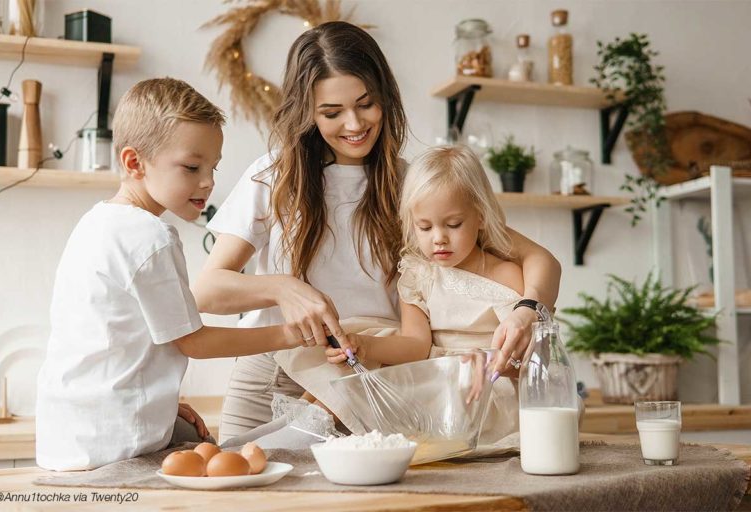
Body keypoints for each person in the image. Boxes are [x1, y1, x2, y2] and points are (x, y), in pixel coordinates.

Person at [194, 21, 561, 442]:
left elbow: (538, 259)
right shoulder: (272, 177)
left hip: (368, 377)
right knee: (239, 494)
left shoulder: (413, 185)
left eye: (365, 104)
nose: (353, 124)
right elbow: (208, 292)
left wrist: (528, 309)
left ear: (385, 97)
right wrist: (283, 288)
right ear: (306, 113)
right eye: (331, 113)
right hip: (271, 372)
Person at [35, 78, 307, 471]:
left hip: (70, 435)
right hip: (117, 444)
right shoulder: (152, 235)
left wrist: (163, 407)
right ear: (134, 163)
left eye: (213, 167)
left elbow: (110, 341)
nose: (209, 181)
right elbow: (192, 342)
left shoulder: (95, 223)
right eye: (192, 166)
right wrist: (287, 335)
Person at [326, 145, 531, 446]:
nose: (439, 238)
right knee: (358, 385)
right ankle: (312, 426)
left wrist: (490, 360)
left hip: (488, 385)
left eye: (453, 225)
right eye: (425, 227)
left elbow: (526, 358)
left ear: (482, 217)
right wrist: (364, 345)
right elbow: (415, 345)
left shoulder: (507, 274)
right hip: (436, 379)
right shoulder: (417, 274)